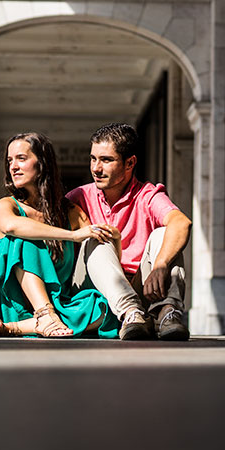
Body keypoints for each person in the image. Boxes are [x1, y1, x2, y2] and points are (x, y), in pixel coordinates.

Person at [0, 132, 121, 338]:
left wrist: (116, 240)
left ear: (42, 163)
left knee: (103, 308)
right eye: (9, 161)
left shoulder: (70, 212)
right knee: (23, 237)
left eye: (21, 159)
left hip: (61, 303)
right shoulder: (7, 206)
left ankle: (17, 327)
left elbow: (98, 255)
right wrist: (73, 236)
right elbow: (11, 226)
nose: (13, 166)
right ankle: (43, 315)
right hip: (15, 303)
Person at [66, 123, 192, 341]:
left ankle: (167, 313)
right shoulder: (79, 197)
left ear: (129, 163)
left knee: (164, 234)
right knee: (97, 236)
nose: (96, 168)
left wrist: (160, 265)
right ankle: (130, 313)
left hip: (143, 292)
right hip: (94, 295)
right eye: (93, 158)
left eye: (106, 160)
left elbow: (181, 223)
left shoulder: (147, 195)